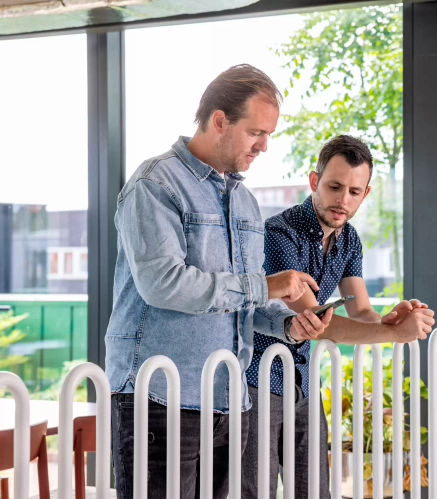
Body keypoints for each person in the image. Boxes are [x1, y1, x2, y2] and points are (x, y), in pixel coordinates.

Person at [105, 64, 334, 499]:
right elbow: (163, 284)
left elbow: (240, 301)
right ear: (219, 120)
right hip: (161, 399)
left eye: (269, 135)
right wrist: (267, 286)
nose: (265, 146)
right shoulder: (156, 184)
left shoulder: (244, 201)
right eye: (256, 133)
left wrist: (287, 324)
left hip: (229, 401)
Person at [242, 135, 435, 498]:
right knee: (256, 491)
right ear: (314, 182)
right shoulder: (280, 234)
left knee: (315, 489)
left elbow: (360, 309)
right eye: (334, 186)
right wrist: (396, 336)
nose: (343, 200)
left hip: (302, 380)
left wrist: (392, 320)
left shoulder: (350, 240)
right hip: (258, 380)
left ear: (366, 194)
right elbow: (315, 320)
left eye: (354, 191)